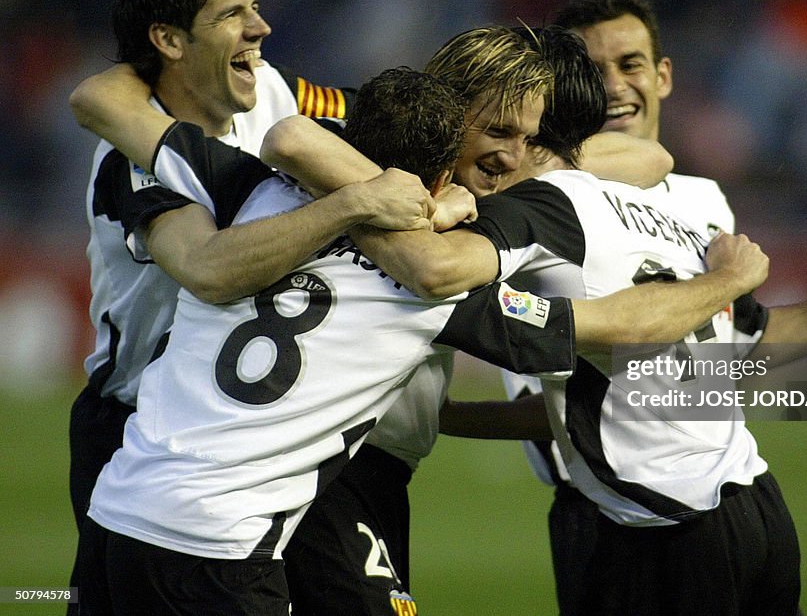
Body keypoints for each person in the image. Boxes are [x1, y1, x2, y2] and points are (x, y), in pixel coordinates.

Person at [285, 25, 807, 615]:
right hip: (747, 508)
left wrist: (410, 211)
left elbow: (455, 277)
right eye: (498, 128)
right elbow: (737, 341)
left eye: (521, 133)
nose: (506, 153)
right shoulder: (658, 207)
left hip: (660, 523)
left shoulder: (533, 207)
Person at [75, 62, 772, 615]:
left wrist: (366, 196)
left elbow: (277, 135)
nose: (512, 155)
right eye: (497, 134)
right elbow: (619, 325)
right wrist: (722, 286)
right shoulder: (441, 292)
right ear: (443, 169)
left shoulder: (249, 190)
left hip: (119, 506)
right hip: (229, 540)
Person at [68, 0, 429, 614]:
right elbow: (210, 271)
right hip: (147, 433)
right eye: (235, 14)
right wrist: (354, 204)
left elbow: (379, 120)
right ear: (169, 40)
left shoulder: (273, 89)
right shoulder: (132, 156)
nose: (261, 27)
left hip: (264, 432)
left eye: (256, 6)